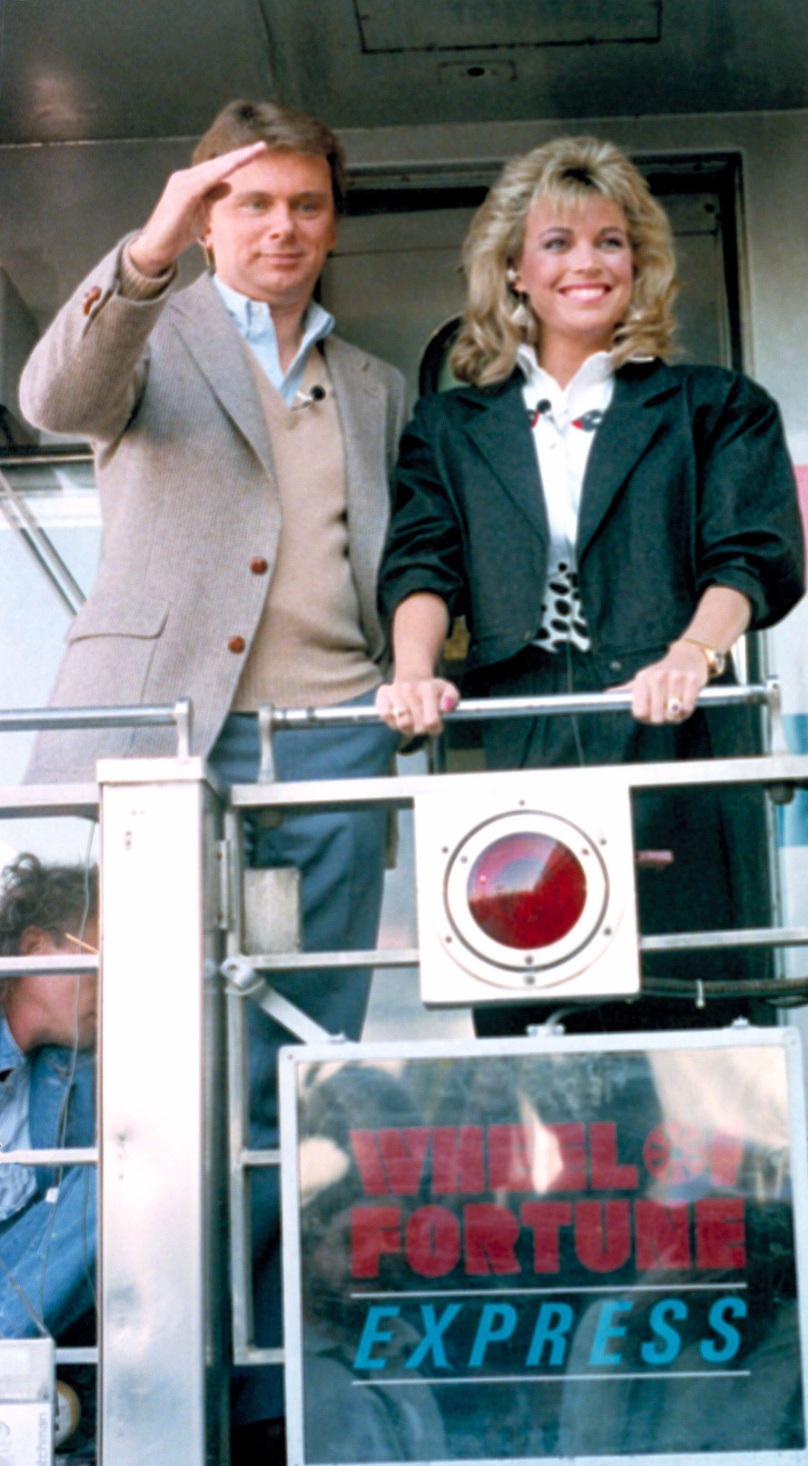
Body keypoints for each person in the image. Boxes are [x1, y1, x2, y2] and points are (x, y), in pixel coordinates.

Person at [19, 98, 404, 1446]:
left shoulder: (373, 382)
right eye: (250, 203)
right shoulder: (151, 327)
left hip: (334, 740)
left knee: (298, 1068)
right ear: (206, 215)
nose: (281, 226)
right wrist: (149, 247)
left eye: (305, 203)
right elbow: (50, 398)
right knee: (129, 1064)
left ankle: (251, 1388)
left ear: (332, 222)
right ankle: (94, 1362)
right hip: (159, 743)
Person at [378, 135, 805, 1034]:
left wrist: (692, 656)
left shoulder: (716, 405)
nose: (589, 263)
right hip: (523, 729)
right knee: (531, 999)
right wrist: (413, 671)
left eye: (611, 241)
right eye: (558, 243)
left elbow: (750, 555)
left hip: (679, 731)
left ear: (639, 265)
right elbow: (422, 561)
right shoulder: (450, 427)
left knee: (692, 1003)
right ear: (514, 271)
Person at [0, 853, 98, 1341]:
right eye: (101, 959)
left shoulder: (68, 1068)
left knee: (129, 1173)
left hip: (25, 1314)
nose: (115, 985)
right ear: (36, 949)